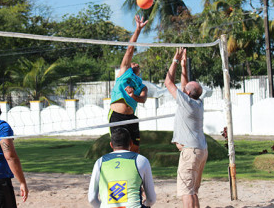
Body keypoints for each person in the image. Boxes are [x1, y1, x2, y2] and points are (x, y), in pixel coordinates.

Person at [164, 48, 208, 208]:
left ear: (187, 93)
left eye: (185, 89)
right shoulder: (197, 102)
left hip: (191, 152)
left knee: (186, 192)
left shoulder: (186, 102)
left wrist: (175, 60)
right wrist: (184, 66)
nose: (183, 89)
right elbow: (185, 86)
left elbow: (168, 82)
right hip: (201, 150)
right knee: (192, 190)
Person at [88, 127, 156, 208]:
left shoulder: (100, 162)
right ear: (131, 143)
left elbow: (92, 199)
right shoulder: (141, 160)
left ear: (111, 145)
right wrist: (145, 205)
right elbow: (151, 199)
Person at [109, 15, 148, 153]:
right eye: (132, 62)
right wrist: (138, 30)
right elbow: (130, 49)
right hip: (117, 116)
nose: (135, 62)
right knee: (119, 150)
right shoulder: (124, 72)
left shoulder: (142, 85)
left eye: (137, 63)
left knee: (135, 150)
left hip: (131, 117)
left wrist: (133, 96)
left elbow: (142, 99)